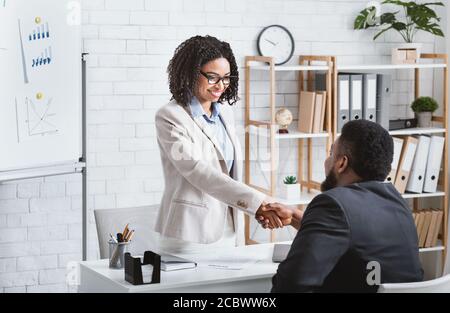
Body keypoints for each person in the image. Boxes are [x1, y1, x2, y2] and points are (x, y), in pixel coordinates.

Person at [154, 35, 290, 255]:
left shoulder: (225, 112)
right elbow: (199, 172)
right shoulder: (170, 116)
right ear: (190, 73)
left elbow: (228, 172)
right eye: (212, 77)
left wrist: (255, 208)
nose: (221, 86)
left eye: (226, 78)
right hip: (189, 236)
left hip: (230, 230)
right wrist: (259, 202)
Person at [261, 120, 423, 292]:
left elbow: (290, 285)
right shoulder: (398, 202)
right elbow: (354, 236)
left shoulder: (332, 203)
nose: (327, 160)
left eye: (331, 153)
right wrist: (295, 216)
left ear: (341, 163)